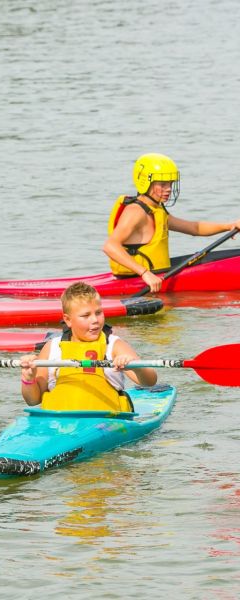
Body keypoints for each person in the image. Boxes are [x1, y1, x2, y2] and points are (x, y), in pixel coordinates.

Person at [103, 153, 240, 292]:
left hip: (158, 273)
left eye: (170, 184)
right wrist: (145, 274)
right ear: (145, 183)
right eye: (162, 184)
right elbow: (110, 246)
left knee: (230, 255)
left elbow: (194, 228)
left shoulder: (155, 210)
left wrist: (230, 226)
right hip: (138, 281)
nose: (168, 189)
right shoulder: (136, 211)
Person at [19, 282, 157, 411]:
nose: (95, 320)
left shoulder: (114, 345)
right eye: (86, 315)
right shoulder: (52, 347)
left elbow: (149, 381)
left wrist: (135, 366)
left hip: (105, 420)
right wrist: (28, 378)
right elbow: (33, 400)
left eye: (98, 312)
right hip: (58, 422)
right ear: (68, 320)